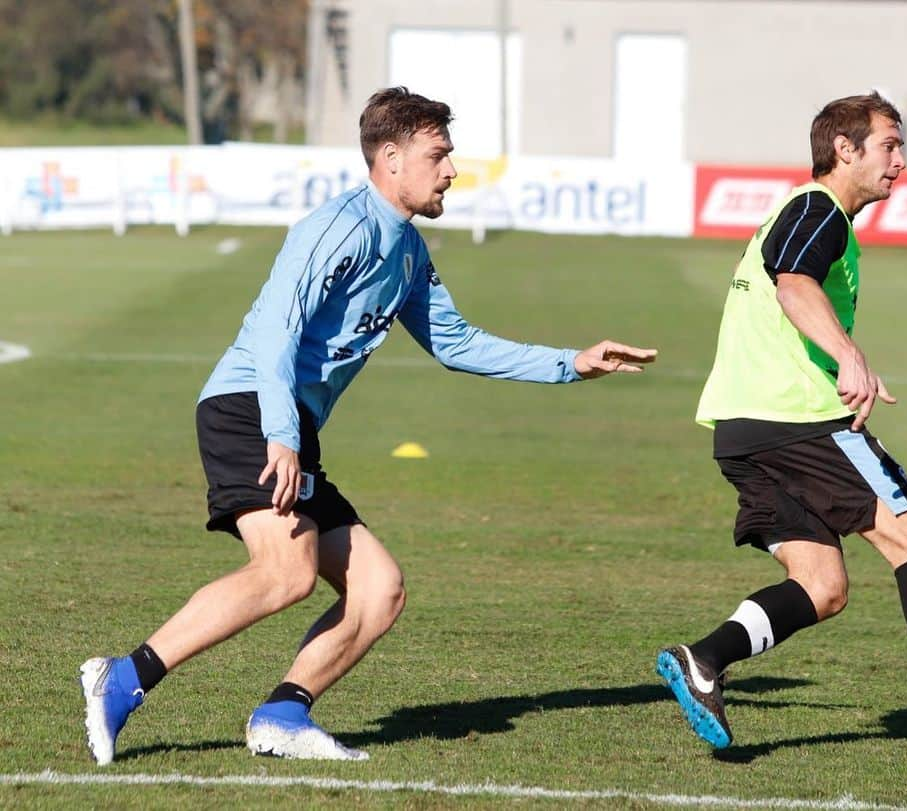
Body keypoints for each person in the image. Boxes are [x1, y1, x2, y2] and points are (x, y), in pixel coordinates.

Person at [81, 87, 657, 766]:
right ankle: (122, 677)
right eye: (438, 154)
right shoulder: (339, 229)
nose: (451, 170)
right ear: (391, 157)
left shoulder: (407, 250)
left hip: (289, 422)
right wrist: (282, 433)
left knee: (379, 589)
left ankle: (281, 714)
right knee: (286, 571)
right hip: (249, 408)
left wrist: (571, 363)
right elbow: (275, 333)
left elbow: (456, 342)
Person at [656, 92, 907, 765]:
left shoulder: (805, 212)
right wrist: (849, 355)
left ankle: (704, 659)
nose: (901, 162)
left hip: (743, 428)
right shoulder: (821, 210)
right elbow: (792, 284)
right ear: (845, 149)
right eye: (890, 146)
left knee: (822, 584)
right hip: (800, 420)